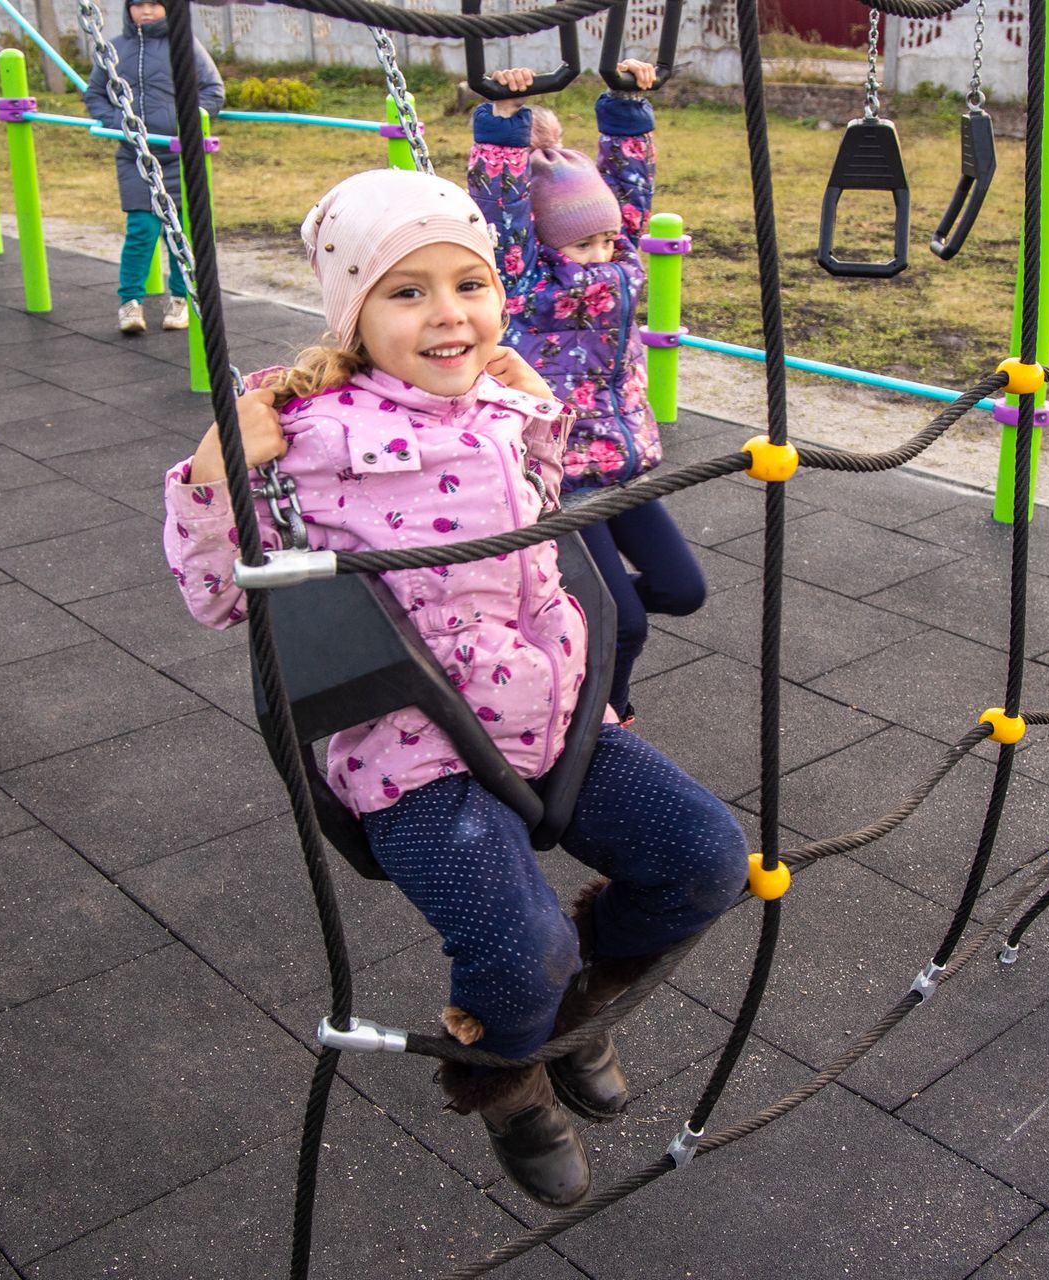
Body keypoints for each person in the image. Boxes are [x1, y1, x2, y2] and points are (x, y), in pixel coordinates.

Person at [160, 169, 747, 1208]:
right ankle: (507, 1076)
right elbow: (216, 597)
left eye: (468, 283)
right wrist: (214, 479)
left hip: (555, 715)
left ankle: (575, 1013)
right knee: (520, 946)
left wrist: (534, 418)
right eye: (407, 291)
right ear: (353, 310)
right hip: (413, 746)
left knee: (706, 858)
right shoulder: (303, 438)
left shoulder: (506, 398)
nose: (448, 314)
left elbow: (532, 547)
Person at [468, 62, 705, 726]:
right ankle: (603, 717)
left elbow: (631, 192)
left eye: (608, 238)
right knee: (622, 625)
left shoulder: (622, 255)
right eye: (586, 243)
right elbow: (502, 213)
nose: (605, 252)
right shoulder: (527, 285)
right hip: (563, 479)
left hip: (622, 467)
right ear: (544, 247)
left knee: (681, 591)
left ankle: (554, 611)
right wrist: (504, 126)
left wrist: (627, 105)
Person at [83, 0, 224, 336]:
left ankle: (178, 299)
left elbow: (213, 92)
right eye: (138, 5)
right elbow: (94, 95)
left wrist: (182, 124)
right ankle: (130, 303)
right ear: (128, 10)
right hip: (135, 155)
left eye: (155, 4)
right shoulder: (114, 49)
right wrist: (119, 120)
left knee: (178, 230)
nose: (146, 11)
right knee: (141, 229)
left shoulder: (184, 45)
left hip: (178, 154)